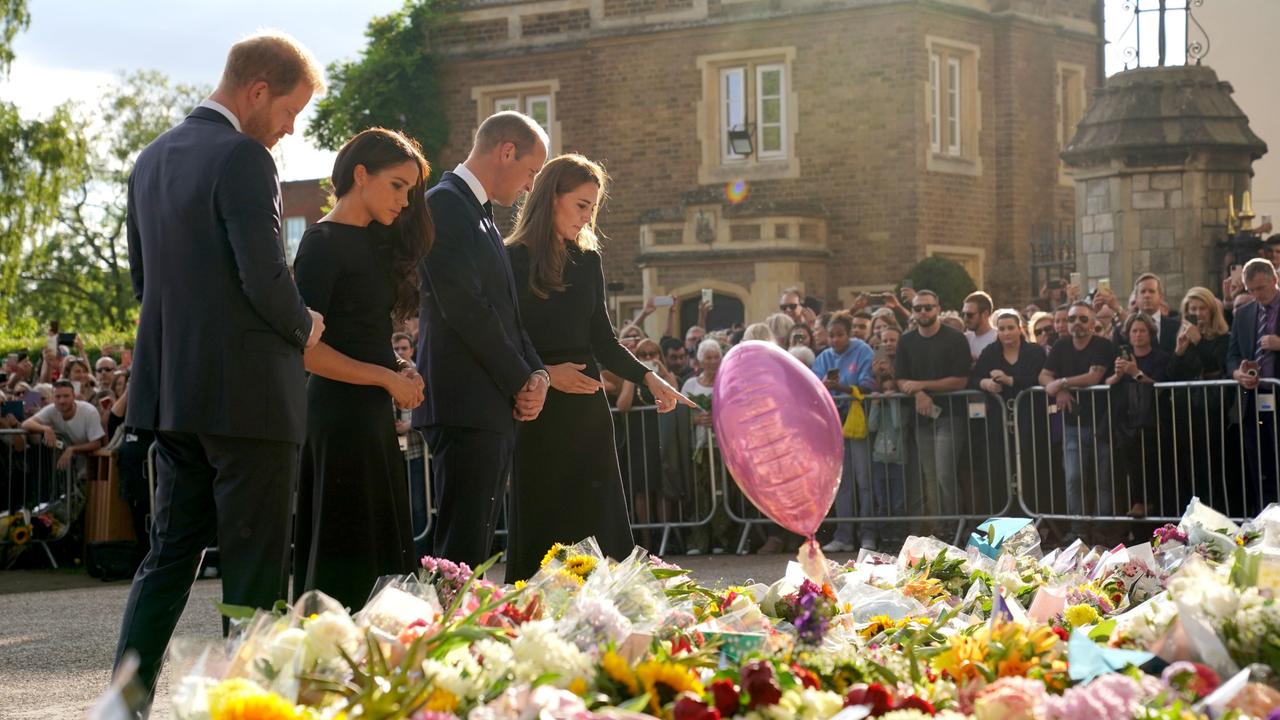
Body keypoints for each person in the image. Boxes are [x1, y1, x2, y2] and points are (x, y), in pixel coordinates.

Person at [112, 33, 326, 705]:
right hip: (251, 400)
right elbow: (264, 278)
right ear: (257, 90)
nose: (289, 130)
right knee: (257, 571)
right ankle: (250, 710)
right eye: (291, 112)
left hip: (174, 395)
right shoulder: (244, 157)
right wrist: (305, 325)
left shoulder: (149, 160)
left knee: (169, 559)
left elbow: (144, 285)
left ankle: (123, 705)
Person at [503, 154, 690, 581]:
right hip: (537, 406)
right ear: (551, 198)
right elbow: (507, 336)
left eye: (593, 207)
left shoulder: (588, 260)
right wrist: (547, 373)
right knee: (543, 518)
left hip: (588, 414)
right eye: (581, 205)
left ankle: (611, 613)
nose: (588, 217)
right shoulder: (510, 258)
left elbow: (603, 340)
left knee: (598, 516)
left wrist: (649, 377)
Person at [291, 128, 431, 610]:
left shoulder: (375, 245)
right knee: (344, 546)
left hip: (371, 411)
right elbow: (308, 352)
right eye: (397, 185)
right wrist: (386, 378)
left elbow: (365, 337)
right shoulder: (320, 244)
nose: (405, 200)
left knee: (383, 545)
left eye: (410, 190)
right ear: (360, 174)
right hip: (337, 414)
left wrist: (399, 369)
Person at [414, 111, 551, 568]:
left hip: (487, 403)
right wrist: (519, 378)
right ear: (505, 151)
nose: (532, 185)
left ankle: (455, 634)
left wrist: (537, 374)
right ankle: (441, 637)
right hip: (463, 403)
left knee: (472, 548)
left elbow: (508, 312)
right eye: (532, 171)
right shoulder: (444, 205)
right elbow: (467, 309)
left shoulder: (482, 216)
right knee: (458, 551)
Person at [1039, 301, 1117, 541]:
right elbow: (1043, 376)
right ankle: (1078, 529)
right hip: (1072, 425)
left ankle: (1102, 528)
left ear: (1093, 323)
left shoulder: (1103, 345)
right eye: (1072, 319)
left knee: (1103, 479)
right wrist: (1059, 391)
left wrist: (1062, 383)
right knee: (1073, 477)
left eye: (1083, 319)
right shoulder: (1061, 346)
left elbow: (1094, 376)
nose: (1077, 323)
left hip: (1102, 423)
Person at [894, 290, 971, 529]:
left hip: (950, 416)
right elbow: (901, 379)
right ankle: (939, 529)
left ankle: (954, 527)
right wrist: (918, 394)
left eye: (928, 307)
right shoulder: (906, 341)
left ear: (937, 308)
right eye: (918, 308)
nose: (923, 312)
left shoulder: (955, 338)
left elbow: (961, 380)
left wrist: (922, 386)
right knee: (930, 478)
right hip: (921, 419)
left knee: (945, 474)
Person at [812, 313, 876, 552]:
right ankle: (844, 536)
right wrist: (823, 386)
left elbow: (868, 385)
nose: (836, 340)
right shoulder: (823, 357)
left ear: (849, 333)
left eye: (840, 335)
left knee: (864, 480)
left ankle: (868, 534)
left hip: (857, 424)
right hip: (833, 427)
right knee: (842, 483)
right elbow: (811, 387)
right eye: (832, 335)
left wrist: (840, 387)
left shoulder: (863, 351)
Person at [1226, 258, 1280, 514]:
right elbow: (1232, 355)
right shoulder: (1244, 313)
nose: (1258, 295)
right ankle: (1266, 522)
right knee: (1260, 468)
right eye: (1252, 290)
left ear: (1274, 280)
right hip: (1254, 402)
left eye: (1262, 288)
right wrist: (1239, 373)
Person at [1105, 313, 1169, 520]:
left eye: (1142, 331)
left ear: (1150, 334)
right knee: (1129, 464)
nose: (1138, 335)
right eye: (1134, 331)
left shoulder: (1160, 357)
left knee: (1152, 463)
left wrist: (1135, 373)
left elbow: (1160, 385)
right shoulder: (1120, 357)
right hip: (1125, 419)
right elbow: (1107, 382)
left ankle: (1152, 505)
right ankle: (1136, 504)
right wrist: (1118, 374)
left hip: (1153, 420)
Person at [21, 380, 106, 474]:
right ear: (53, 398)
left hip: (91, 459)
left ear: (74, 396)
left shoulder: (89, 411)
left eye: (66, 396)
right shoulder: (52, 409)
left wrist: (72, 449)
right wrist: (46, 429)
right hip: (67, 461)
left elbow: (96, 443)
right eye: (58, 396)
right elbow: (26, 423)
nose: (62, 401)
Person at [1116, 273, 1180, 353]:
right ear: (1136, 298)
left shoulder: (1176, 327)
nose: (1147, 295)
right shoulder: (1121, 331)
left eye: (1151, 291)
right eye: (1143, 292)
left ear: (1160, 297)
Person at [962, 291, 997, 360]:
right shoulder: (965, 339)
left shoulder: (998, 339)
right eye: (964, 314)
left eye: (970, 315)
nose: (965, 318)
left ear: (985, 314)